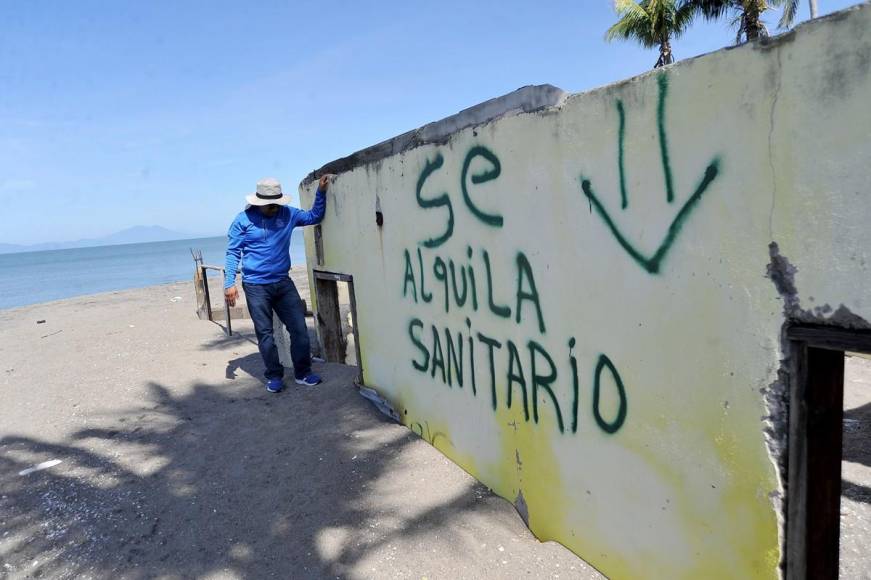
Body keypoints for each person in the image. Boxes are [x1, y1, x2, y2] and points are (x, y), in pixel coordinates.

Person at [223, 175, 330, 392]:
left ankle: (303, 372)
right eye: (268, 205)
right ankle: (274, 375)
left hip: (283, 282)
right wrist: (229, 283)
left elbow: (314, 216)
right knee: (265, 334)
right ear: (258, 202)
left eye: (276, 204)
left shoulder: (289, 214)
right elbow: (233, 252)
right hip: (255, 286)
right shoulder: (242, 220)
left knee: (299, 328)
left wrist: (321, 192)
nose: (273, 208)